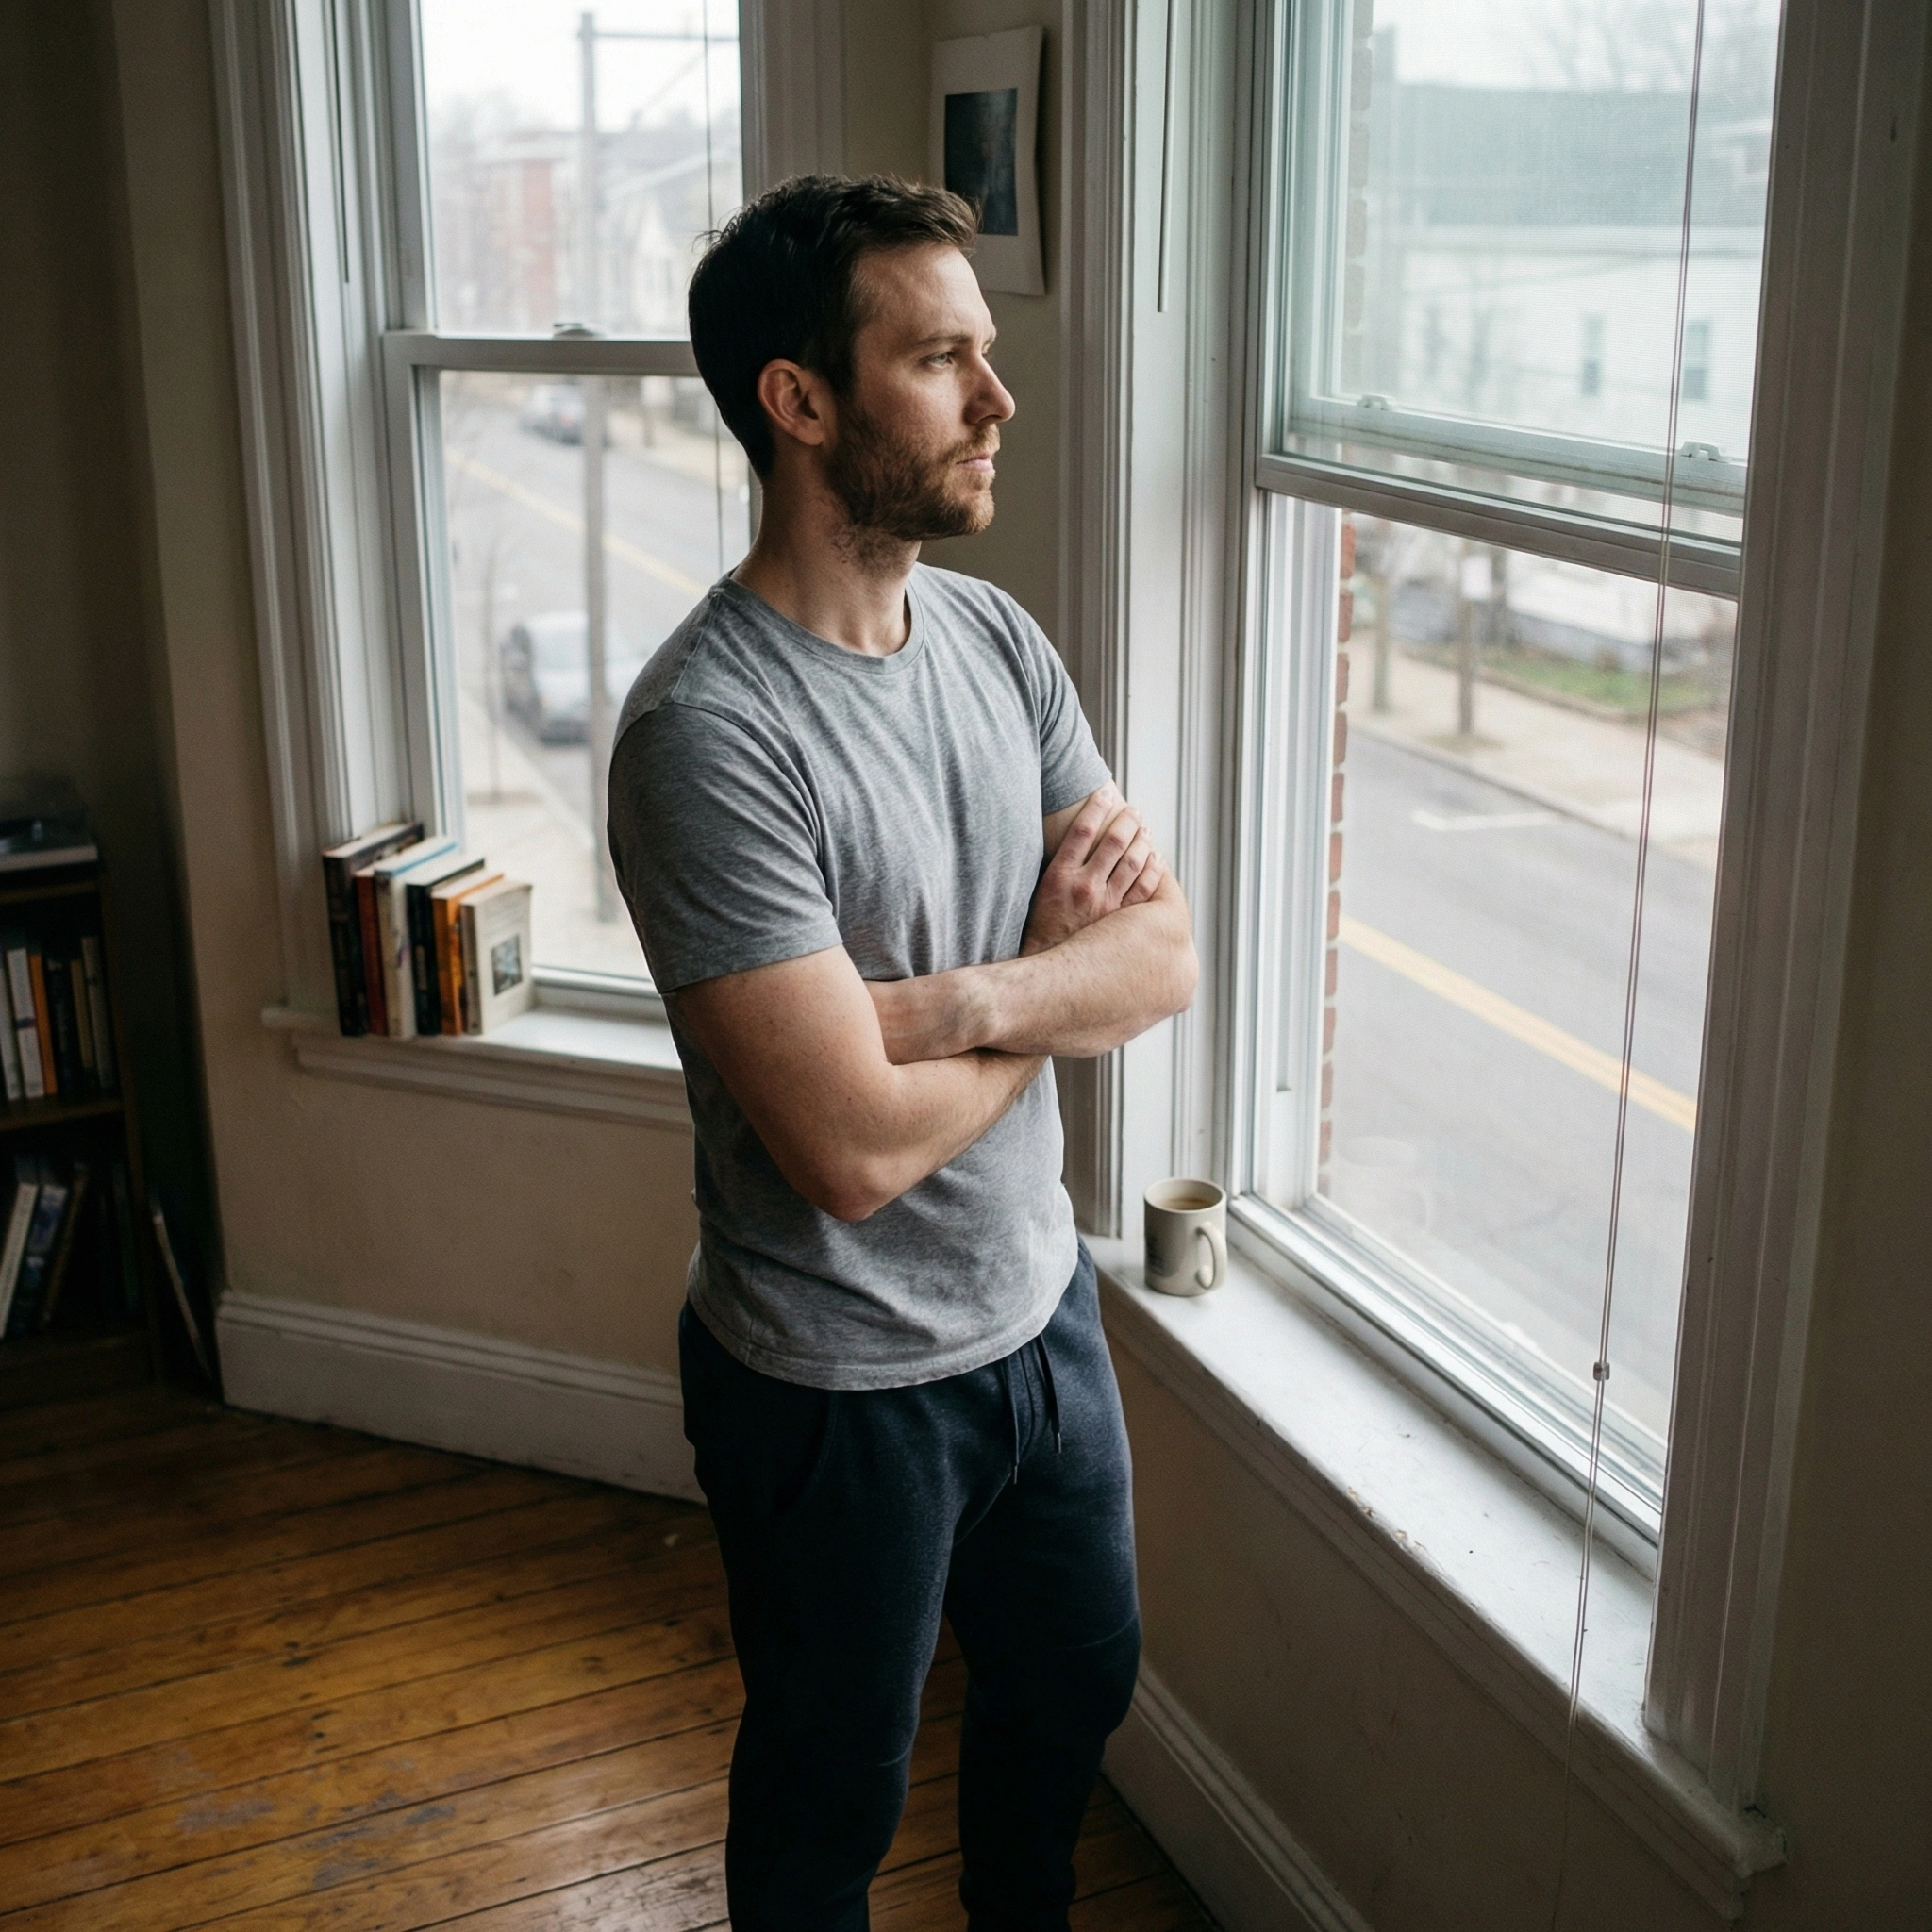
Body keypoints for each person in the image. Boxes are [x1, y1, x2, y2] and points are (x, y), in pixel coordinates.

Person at [607, 173, 1198, 1932]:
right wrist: (1050, 974)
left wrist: (960, 999)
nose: (998, 400)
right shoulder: (708, 736)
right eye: (943, 361)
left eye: (985, 355)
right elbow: (850, 1157)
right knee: (825, 1806)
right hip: (833, 1394)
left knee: (1072, 1693)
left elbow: (1160, 958)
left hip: (1043, 1324)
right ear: (801, 403)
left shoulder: (997, 641)